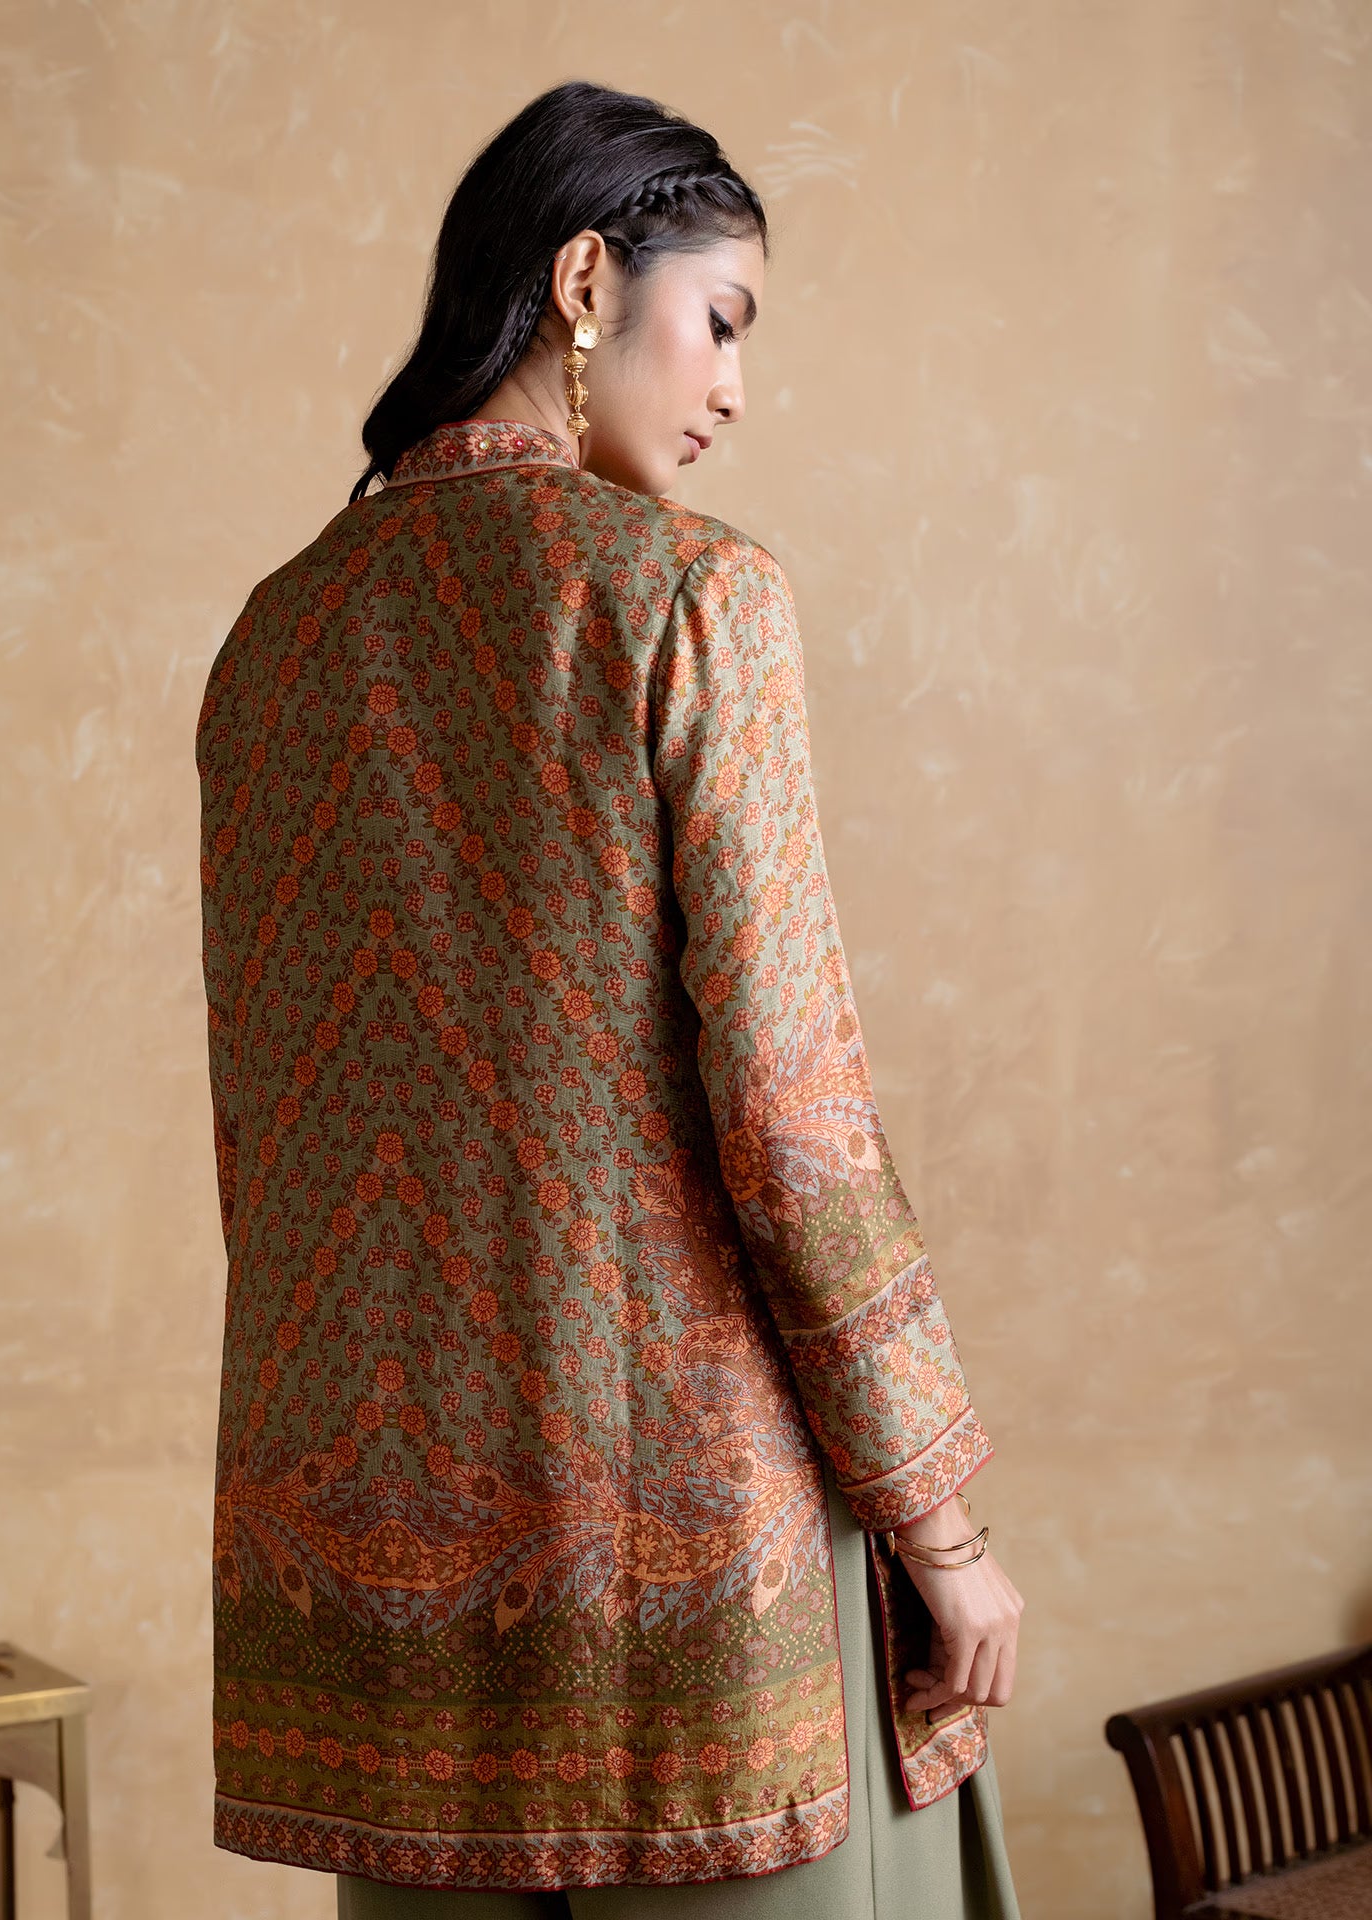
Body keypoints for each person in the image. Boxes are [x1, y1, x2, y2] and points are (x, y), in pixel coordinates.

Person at [196, 78, 1024, 1920]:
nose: (734, 385)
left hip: (378, 1622)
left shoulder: (270, 646)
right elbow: (796, 1132)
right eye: (719, 320)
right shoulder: (688, 602)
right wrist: (940, 1526)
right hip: (686, 1606)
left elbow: (271, 1154)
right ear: (586, 281)